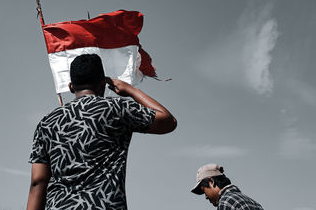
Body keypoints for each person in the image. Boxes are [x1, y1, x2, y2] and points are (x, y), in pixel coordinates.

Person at [26, 54, 177, 210]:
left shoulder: (47, 123)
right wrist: (130, 90)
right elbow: (168, 121)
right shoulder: (116, 108)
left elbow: (38, 182)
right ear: (104, 84)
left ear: (71, 87)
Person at [191, 163, 264, 210]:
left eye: (204, 191)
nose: (206, 197)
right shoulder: (254, 203)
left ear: (211, 182)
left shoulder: (226, 203)